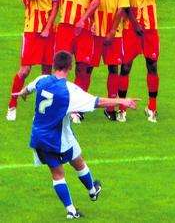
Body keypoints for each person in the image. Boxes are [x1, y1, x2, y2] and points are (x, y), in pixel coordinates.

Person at [13, 50, 139, 219]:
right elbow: (97, 102)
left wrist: (22, 93)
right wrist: (121, 101)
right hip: (58, 138)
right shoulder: (69, 91)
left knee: (64, 169)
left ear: (54, 64)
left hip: (38, 137)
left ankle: (78, 203)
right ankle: (84, 198)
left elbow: (29, 87)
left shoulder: (42, 79)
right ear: (70, 67)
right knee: (72, 166)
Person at [6, 0, 59, 121]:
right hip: (31, 31)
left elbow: (55, 6)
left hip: (49, 31)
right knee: (25, 70)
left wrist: (48, 28)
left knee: (46, 71)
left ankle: (43, 109)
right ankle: (12, 106)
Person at [54, 0, 102, 123]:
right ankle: (60, 104)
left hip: (85, 29)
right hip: (65, 27)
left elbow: (96, 0)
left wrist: (83, 19)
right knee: (61, 67)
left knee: (83, 66)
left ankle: (77, 109)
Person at [85, 0, 130, 122]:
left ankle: (110, 108)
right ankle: (80, 108)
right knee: (86, 68)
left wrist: (112, 31)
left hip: (113, 33)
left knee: (113, 68)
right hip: (93, 33)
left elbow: (121, 8)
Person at [118, 0, 164, 123]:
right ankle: (122, 108)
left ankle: (152, 107)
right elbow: (124, 3)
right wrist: (135, 23)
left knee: (152, 65)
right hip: (130, 29)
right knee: (125, 67)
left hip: (151, 29)